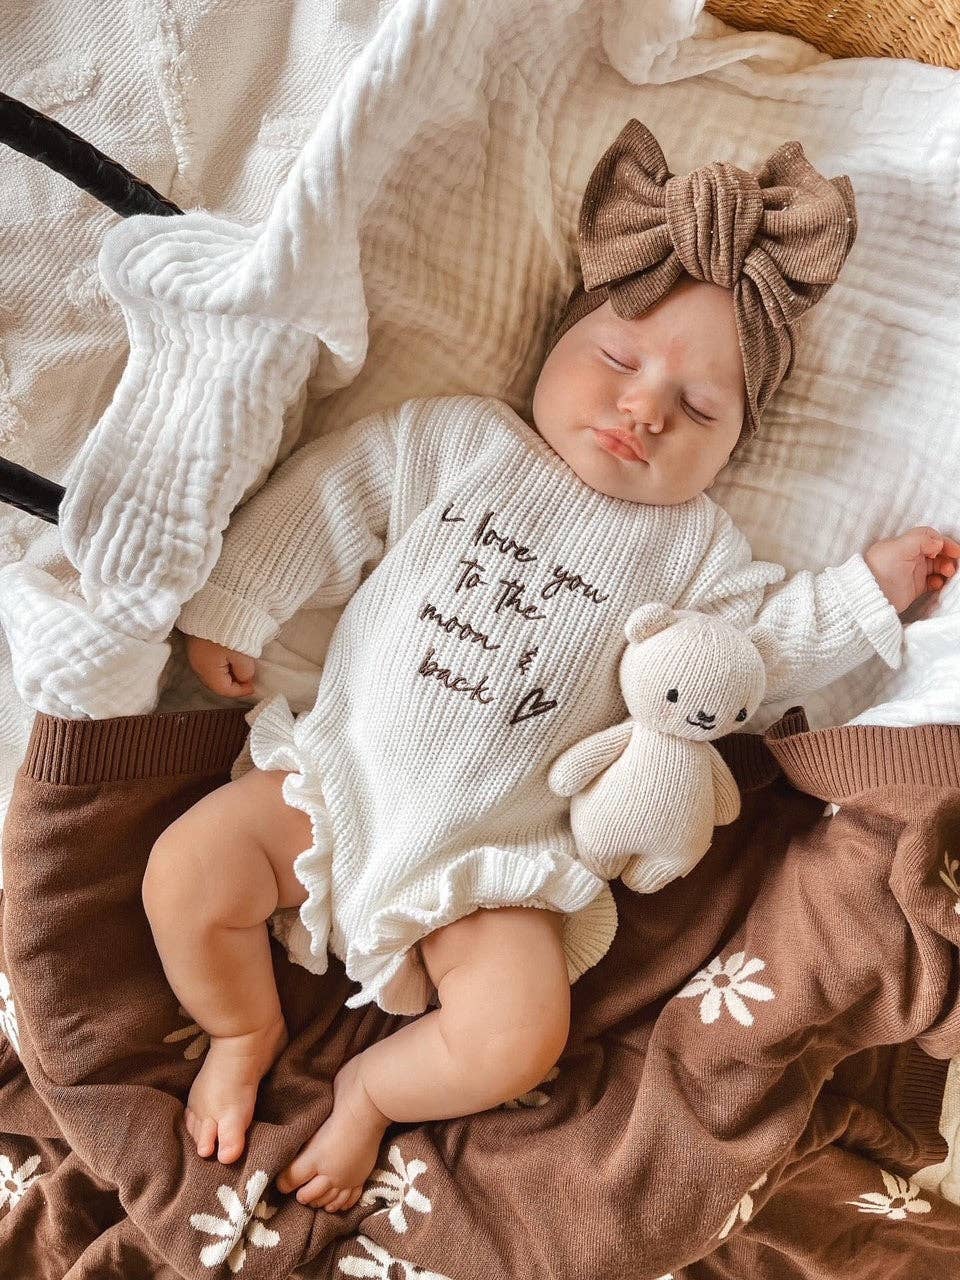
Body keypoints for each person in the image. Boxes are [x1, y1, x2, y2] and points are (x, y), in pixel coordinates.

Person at [141, 119, 958, 1213]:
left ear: (737, 444)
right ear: (560, 341)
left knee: (521, 1035)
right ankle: (243, 1030)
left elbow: (755, 652)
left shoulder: (698, 553)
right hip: (332, 784)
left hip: (498, 859)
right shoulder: (458, 443)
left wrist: (867, 589)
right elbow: (334, 493)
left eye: (700, 408)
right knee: (184, 874)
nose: (646, 407)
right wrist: (243, 599)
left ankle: (373, 1093)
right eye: (618, 360)